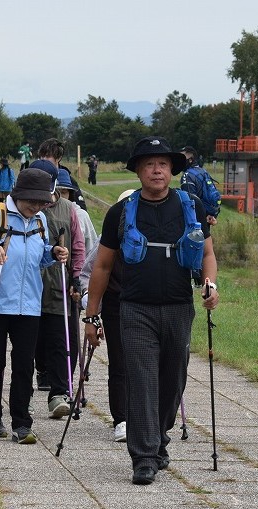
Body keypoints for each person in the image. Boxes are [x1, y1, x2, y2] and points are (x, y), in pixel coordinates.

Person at [85, 136, 219, 485]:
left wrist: (210, 286)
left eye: (162, 163)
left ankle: (159, 437)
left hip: (178, 308)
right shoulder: (121, 212)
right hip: (135, 309)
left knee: (173, 379)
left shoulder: (190, 206)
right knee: (141, 378)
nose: (156, 170)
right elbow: (101, 267)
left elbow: (206, 255)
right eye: (148, 164)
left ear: (172, 169)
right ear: (139, 171)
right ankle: (143, 456)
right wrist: (91, 315)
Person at [0, 168, 69, 444]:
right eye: (31, 202)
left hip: (29, 305)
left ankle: (22, 423)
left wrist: (53, 253)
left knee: (24, 364)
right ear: (18, 195)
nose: (35, 207)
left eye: (41, 202)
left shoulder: (41, 220)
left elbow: (39, 256)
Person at [79, 187, 133, 442]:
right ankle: (121, 419)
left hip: (149, 304)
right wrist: (93, 311)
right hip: (115, 305)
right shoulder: (107, 239)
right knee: (120, 363)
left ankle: (148, 416)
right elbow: (89, 274)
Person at [34, 165, 86, 418]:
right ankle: (37, 375)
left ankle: (60, 392)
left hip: (58, 283)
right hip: (29, 285)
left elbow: (77, 246)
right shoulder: (22, 208)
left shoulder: (69, 210)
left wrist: (76, 277)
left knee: (63, 340)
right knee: (35, 341)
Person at [180, 146, 221, 225]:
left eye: (182, 158)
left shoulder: (187, 175)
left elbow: (189, 201)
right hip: (208, 217)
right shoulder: (203, 171)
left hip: (195, 221)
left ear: (190, 160)